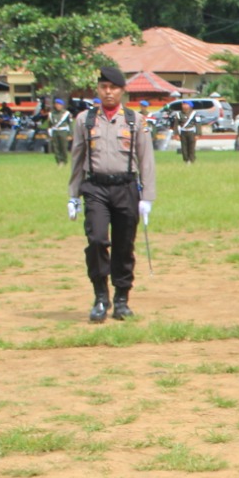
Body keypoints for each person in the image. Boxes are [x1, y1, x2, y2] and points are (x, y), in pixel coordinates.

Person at [67, 67, 155, 322]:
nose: (108, 92)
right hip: (95, 187)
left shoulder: (135, 120)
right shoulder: (85, 120)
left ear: (122, 91)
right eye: (104, 87)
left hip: (126, 188)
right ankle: (100, 296)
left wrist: (147, 197)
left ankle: (121, 299)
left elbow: (146, 160)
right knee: (96, 239)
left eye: (113, 87)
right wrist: (73, 195)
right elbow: (77, 158)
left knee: (124, 245)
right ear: (98, 89)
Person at [46, 98, 72, 165]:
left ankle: (64, 161)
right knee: (56, 148)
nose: (58, 106)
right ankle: (59, 161)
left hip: (63, 131)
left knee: (64, 147)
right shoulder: (51, 114)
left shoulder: (66, 113)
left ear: (62, 105)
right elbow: (49, 125)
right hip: (55, 132)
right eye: (57, 104)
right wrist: (50, 134)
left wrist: (70, 134)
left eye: (59, 104)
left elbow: (70, 124)